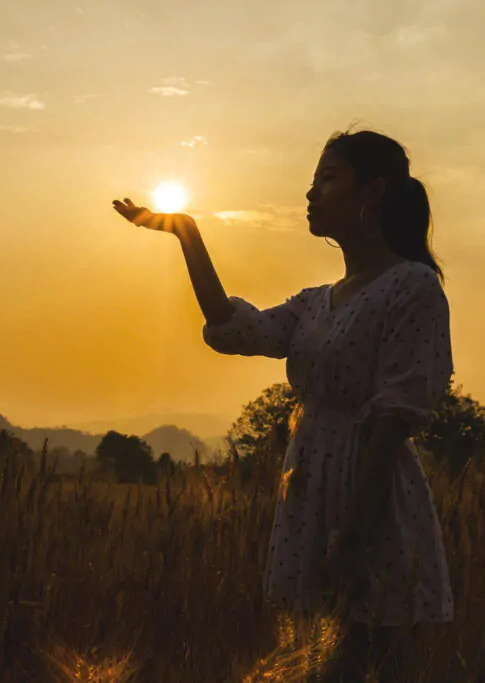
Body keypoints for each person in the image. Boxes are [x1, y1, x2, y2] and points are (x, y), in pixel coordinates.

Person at [112, 128, 454, 682]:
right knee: (318, 662)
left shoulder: (412, 287)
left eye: (327, 179)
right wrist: (186, 234)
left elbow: (394, 422)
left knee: (375, 658)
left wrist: (351, 538)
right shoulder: (317, 303)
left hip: (370, 501)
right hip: (310, 492)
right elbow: (232, 326)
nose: (310, 193)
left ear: (371, 192)